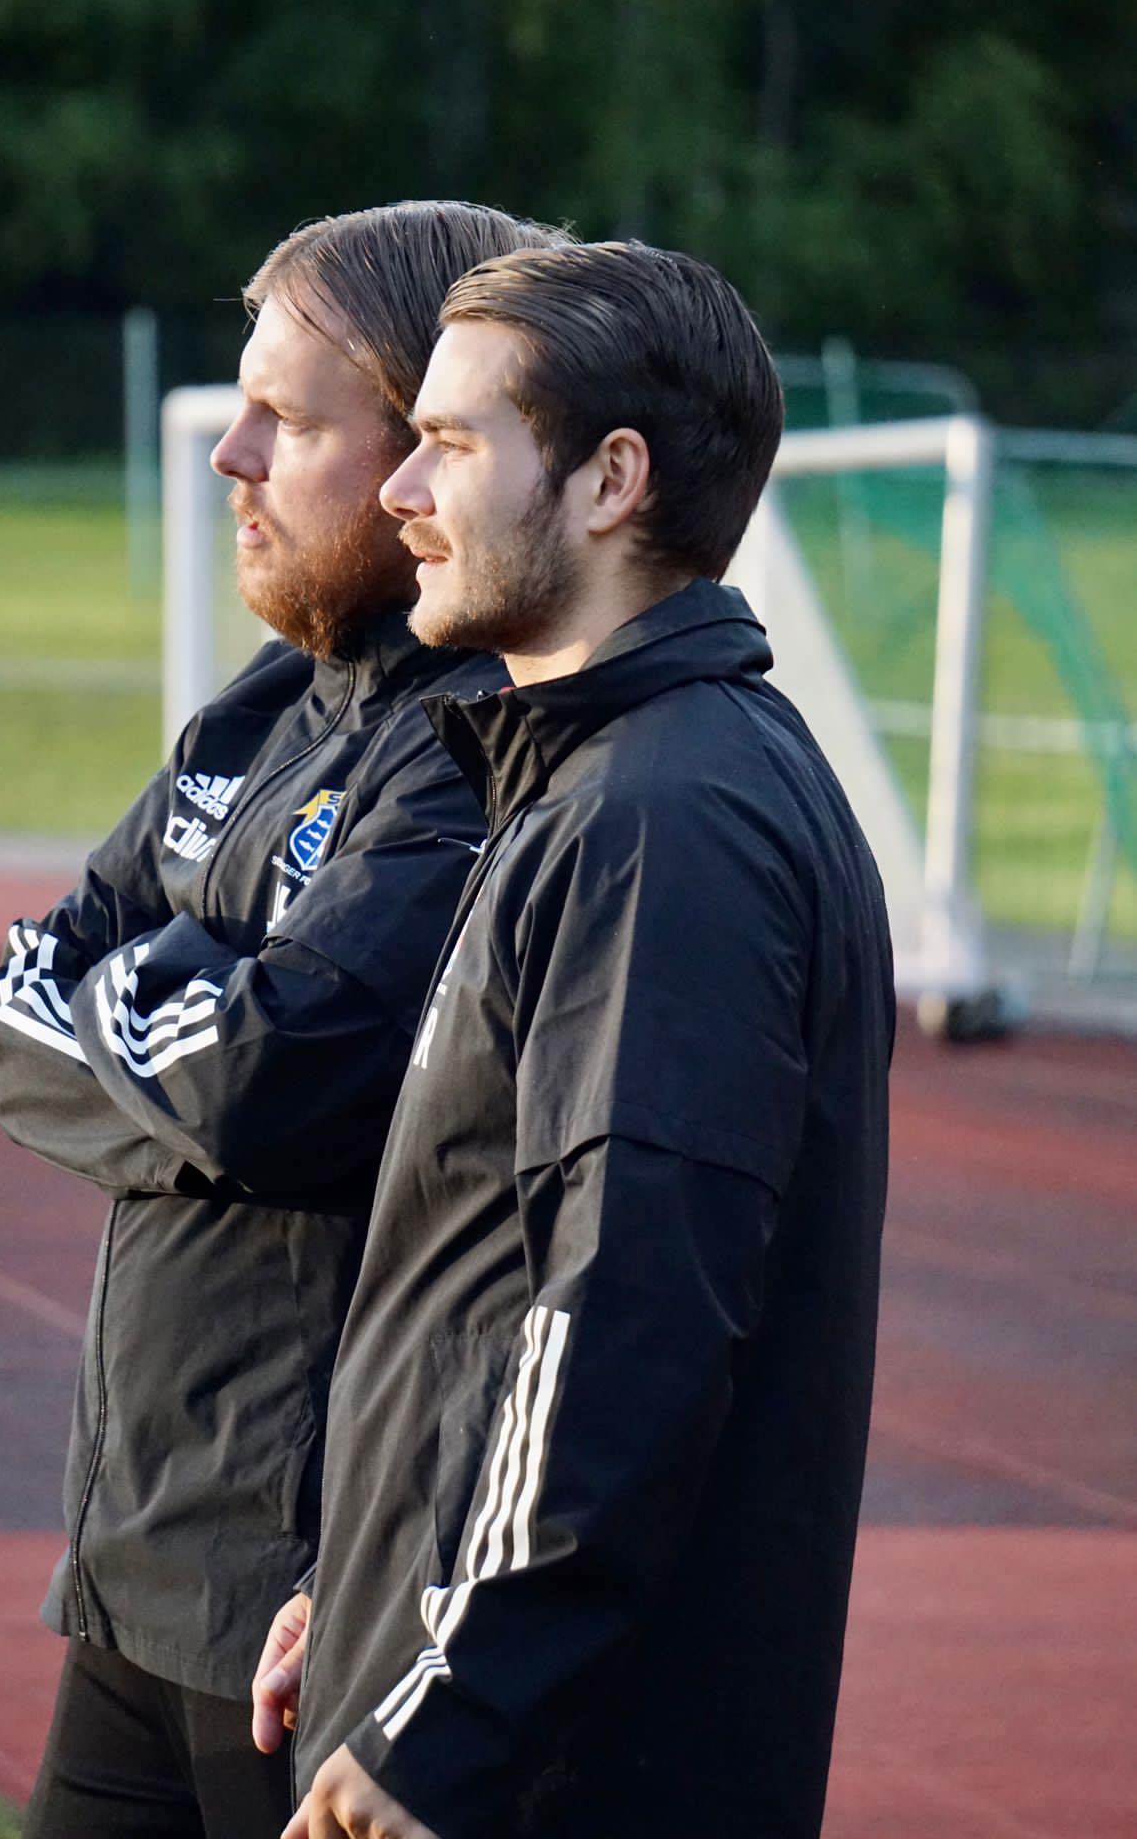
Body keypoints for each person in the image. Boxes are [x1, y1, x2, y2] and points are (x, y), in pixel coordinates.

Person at [258, 241, 894, 1839]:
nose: (400, 489)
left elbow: (625, 1320)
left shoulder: (665, 821)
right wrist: (365, 1582)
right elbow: (486, 1285)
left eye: (451, 443)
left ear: (613, 480)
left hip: (547, 1776)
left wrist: (454, 1714)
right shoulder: (602, 781)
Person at [0, 200, 565, 1839]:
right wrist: (192, 1019)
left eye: (287, 422)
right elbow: (8, 1017)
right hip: (133, 1562)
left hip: (312, 1604)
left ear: (426, 453)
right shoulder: (260, 709)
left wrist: (146, 1016)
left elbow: (270, 1082)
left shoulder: (470, 745)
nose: (230, 458)